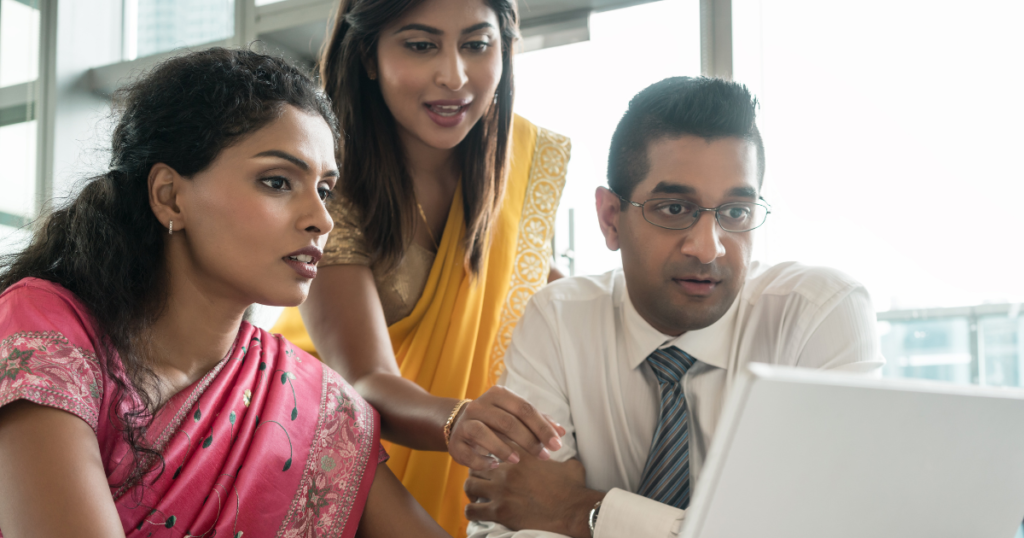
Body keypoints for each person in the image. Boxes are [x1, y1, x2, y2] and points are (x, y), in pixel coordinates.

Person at [0, 48, 453, 538]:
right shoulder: (46, 331)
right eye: (278, 182)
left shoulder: (317, 406)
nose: (321, 220)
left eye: (324, 190)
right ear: (170, 195)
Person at [463, 77, 885, 538]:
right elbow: (508, 521)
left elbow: (842, 526)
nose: (708, 249)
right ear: (610, 219)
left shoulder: (816, 315)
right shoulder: (559, 321)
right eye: (673, 209)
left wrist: (582, 512)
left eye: (736, 213)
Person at [270, 0, 571, 534]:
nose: (453, 75)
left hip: (475, 474)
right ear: (367, 54)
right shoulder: (327, 180)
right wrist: (459, 420)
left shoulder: (517, 163)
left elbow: (543, 301)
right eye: (420, 44)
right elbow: (364, 376)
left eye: (476, 45)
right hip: (325, 462)